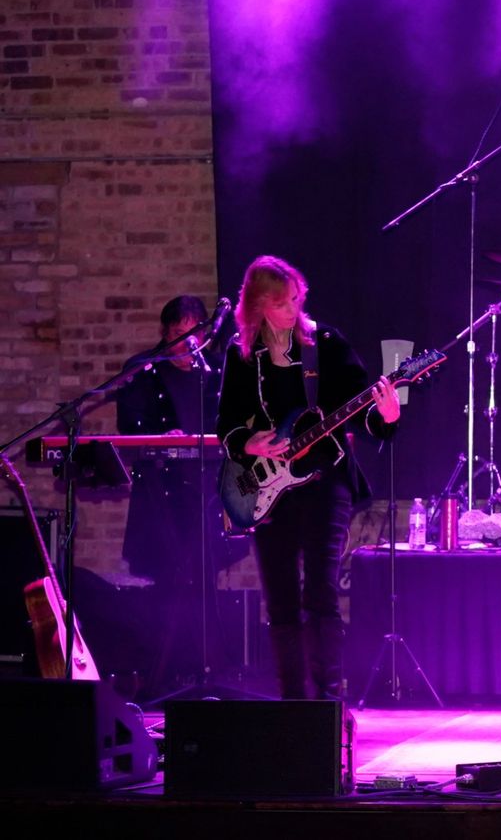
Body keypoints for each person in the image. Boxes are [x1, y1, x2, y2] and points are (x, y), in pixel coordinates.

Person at [216, 257, 400, 700]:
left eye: (296, 299)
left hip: (325, 480)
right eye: (281, 303)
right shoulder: (242, 355)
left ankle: (328, 703)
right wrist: (250, 444)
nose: (292, 311)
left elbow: (362, 410)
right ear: (257, 305)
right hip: (268, 487)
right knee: (280, 597)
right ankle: (292, 704)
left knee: (321, 591)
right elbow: (225, 423)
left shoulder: (326, 344)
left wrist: (387, 415)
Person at [115, 295, 224, 692]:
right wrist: (162, 437)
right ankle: (164, 675)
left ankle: (207, 672)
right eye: (178, 332)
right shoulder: (144, 370)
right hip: (161, 494)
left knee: (204, 578)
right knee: (168, 579)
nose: (185, 343)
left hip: (207, 493)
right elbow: (129, 424)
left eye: (193, 334)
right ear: (165, 332)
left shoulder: (215, 373)